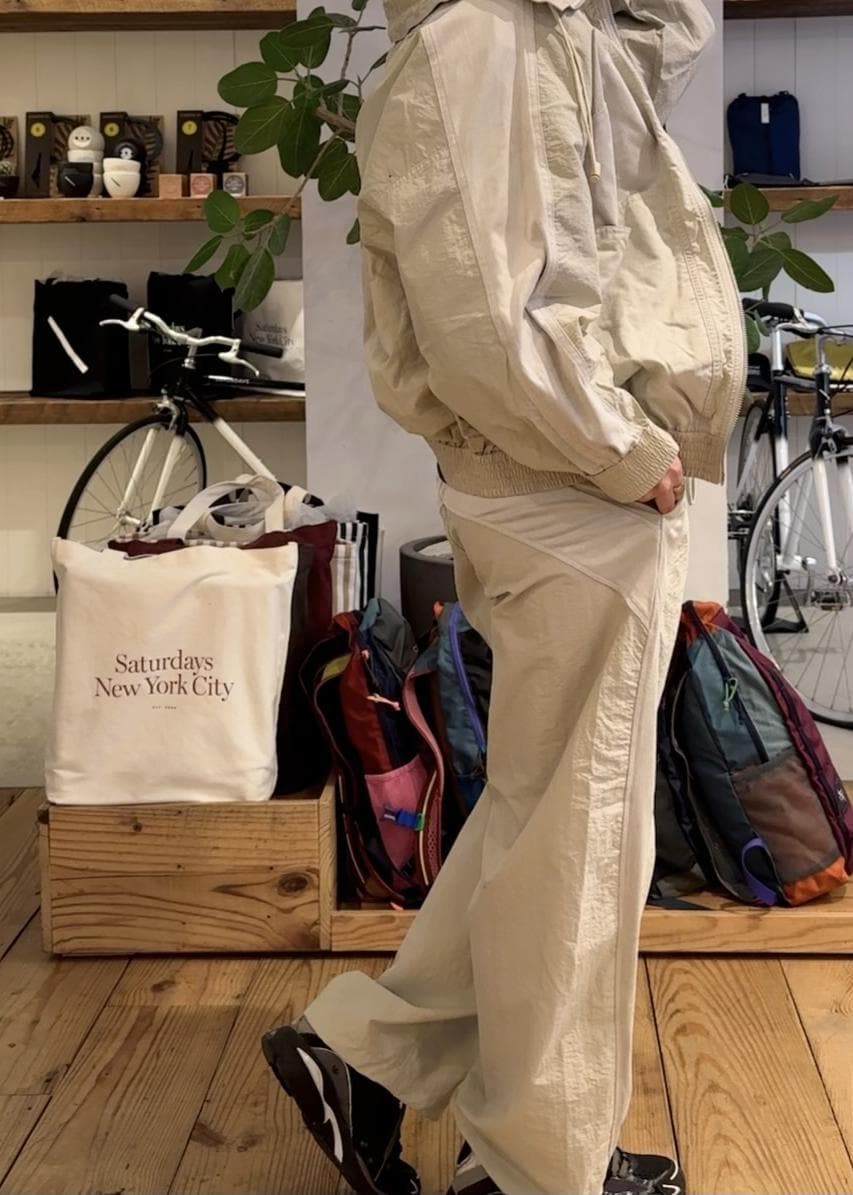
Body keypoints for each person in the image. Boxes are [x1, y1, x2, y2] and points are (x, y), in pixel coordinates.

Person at [263, 0, 744, 1192]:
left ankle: (368, 1059)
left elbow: (665, 43)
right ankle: (535, 1169)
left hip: (562, 482)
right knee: (581, 843)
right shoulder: (481, 40)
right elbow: (489, 321)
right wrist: (623, 452)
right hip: (570, 485)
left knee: (549, 819)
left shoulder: (550, 31)